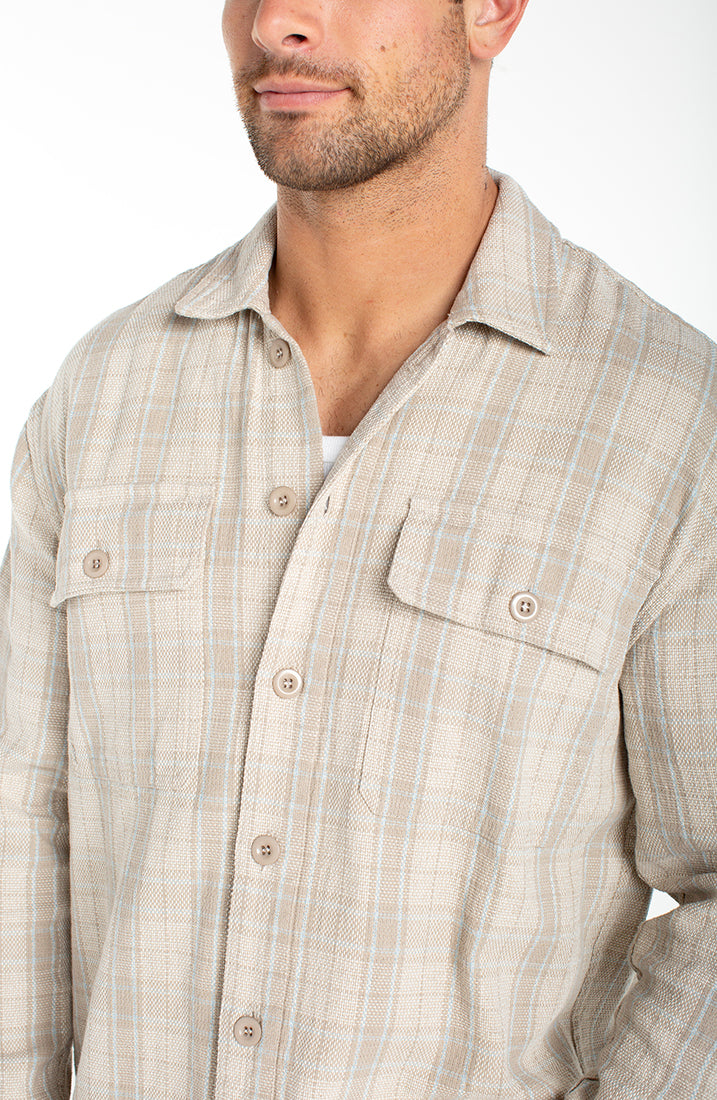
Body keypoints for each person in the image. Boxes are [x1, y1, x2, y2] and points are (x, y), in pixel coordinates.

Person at [1, 0, 715, 1096]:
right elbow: (18, 827)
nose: (277, 21)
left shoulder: (671, 421)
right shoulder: (103, 392)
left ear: (491, 12)